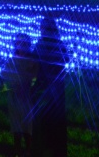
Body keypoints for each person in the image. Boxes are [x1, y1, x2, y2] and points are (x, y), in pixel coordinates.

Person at [32, 17, 69, 157]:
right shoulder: (59, 44)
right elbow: (66, 60)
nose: (40, 30)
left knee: (45, 120)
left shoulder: (40, 44)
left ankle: (47, 147)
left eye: (42, 27)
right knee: (58, 120)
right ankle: (58, 149)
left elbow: (34, 63)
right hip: (58, 88)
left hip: (44, 88)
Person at [2, 33, 39, 157]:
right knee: (16, 126)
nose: (21, 46)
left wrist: (30, 86)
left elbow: (35, 77)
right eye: (18, 43)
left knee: (27, 125)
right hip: (14, 98)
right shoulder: (12, 60)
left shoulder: (31, 61)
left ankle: (28, 150)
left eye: (24, 44)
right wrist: (8, 88)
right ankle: (17, 150)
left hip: (27, 98)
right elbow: (3, 76)